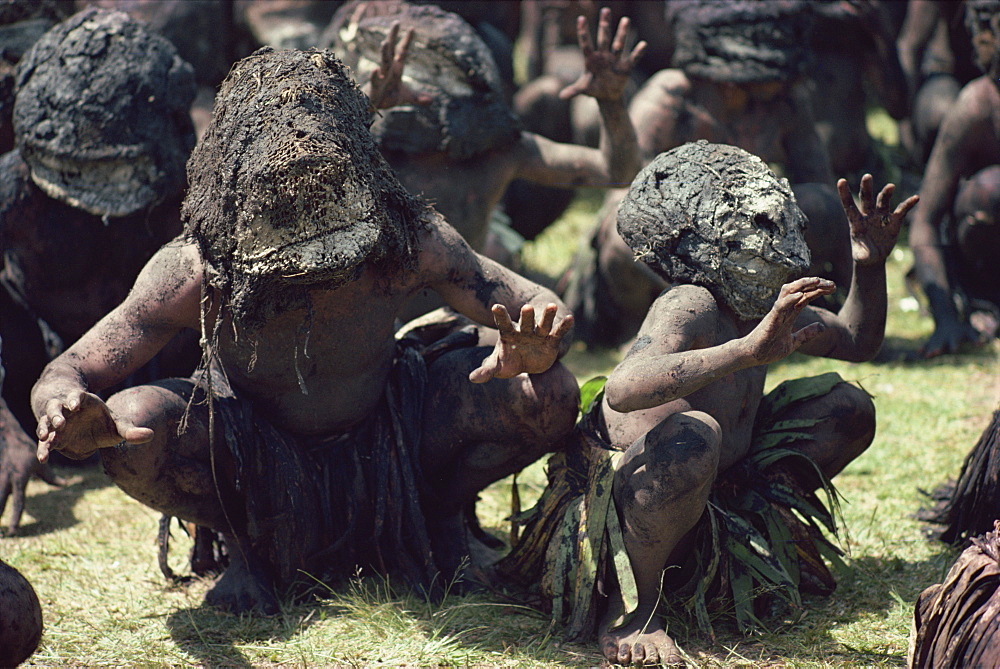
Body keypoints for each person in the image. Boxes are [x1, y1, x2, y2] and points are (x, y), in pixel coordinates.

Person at [30, 46, 580, 614]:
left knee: (553, 392)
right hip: (254, 452)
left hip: (394, 432)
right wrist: (61, 405)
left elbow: (538, 305)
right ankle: (250, 548)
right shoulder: (197, 269)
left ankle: (439, 517)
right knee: (133, 424)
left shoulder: (406, 239)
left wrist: (539, 346)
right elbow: (68, 369)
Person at [499, 141, 918, 666]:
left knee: (847, 408)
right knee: (693, 437)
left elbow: (858, 340)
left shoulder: (769, 298)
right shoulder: (690, 303)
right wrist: (744, 352)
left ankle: (740, 544)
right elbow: (623, 389)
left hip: (724, 485)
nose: (781, 231)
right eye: (758, 224)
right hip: (635, 493)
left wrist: (869, 264)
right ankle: (635, 608)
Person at [562, 0, 854, 348]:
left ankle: (839, 322)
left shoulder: (785, 101)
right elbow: (626, 199)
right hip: (674, 245)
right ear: (732, 81)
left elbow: (821, 187)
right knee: (620, 231)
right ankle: (655, 328)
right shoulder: (672, 97)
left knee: (823, 205)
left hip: (746, 241)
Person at [0, 8, 200, 515]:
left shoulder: (186, 184)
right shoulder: (15, 193)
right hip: (34, 366)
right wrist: (4, 427)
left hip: (159, 375)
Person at [327, 0, 644, 316]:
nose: (413, 95)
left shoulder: (499, 152)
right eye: (400, 78)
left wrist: (611, 103)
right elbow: (308, 159)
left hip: (458, 321)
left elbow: (615, 172)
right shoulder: (367, 150)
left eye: (433, 76)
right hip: (373, 328)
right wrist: (365, 104)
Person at [908, 0, 999, 357]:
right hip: (984, 255)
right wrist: (945, 318)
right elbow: (924, 222)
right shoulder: (978, 105)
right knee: (989, 190)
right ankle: (982, 301)